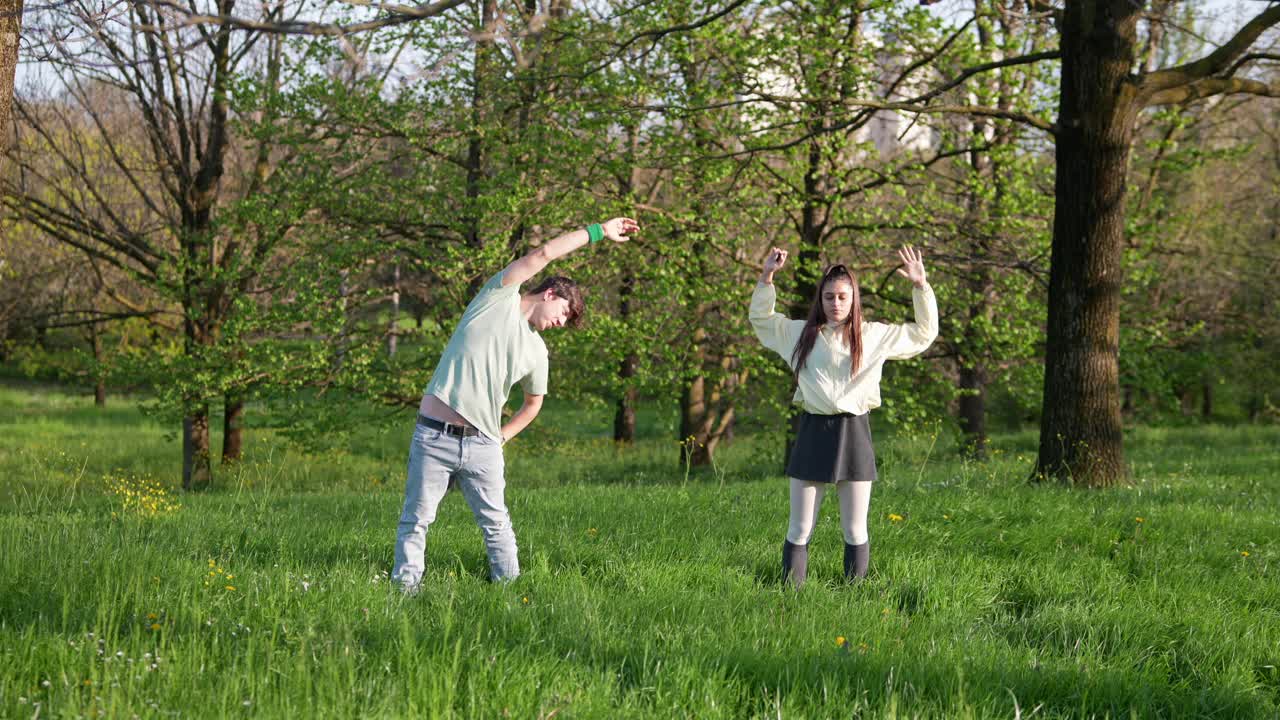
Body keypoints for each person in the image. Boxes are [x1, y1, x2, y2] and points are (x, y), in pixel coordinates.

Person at [393, 217, 640, 593]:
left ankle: (509, 595)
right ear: (551, 294)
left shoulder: (538, 351)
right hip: (434, 436)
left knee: (496, 523)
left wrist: (501, 438)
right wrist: (598, 232)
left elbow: (533, 404)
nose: (562, 323)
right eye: (564, 314)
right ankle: (403, 593)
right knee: (416, 519)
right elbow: (544, 253)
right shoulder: (497, 297)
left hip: (483, 445)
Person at [749, 245, 937, 587]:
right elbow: (761, 319)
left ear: (854, 300)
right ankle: (792, 597)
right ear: (820, 300)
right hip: (813, 432)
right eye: (829, 297)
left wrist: (921, 287)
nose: (835, 304)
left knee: (855, 528)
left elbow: (924, 334)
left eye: (842, 297)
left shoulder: (874, 335)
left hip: (854, 433)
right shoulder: (798, 335)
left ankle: (855, 595)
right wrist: (767, 276)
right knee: (800, 528)